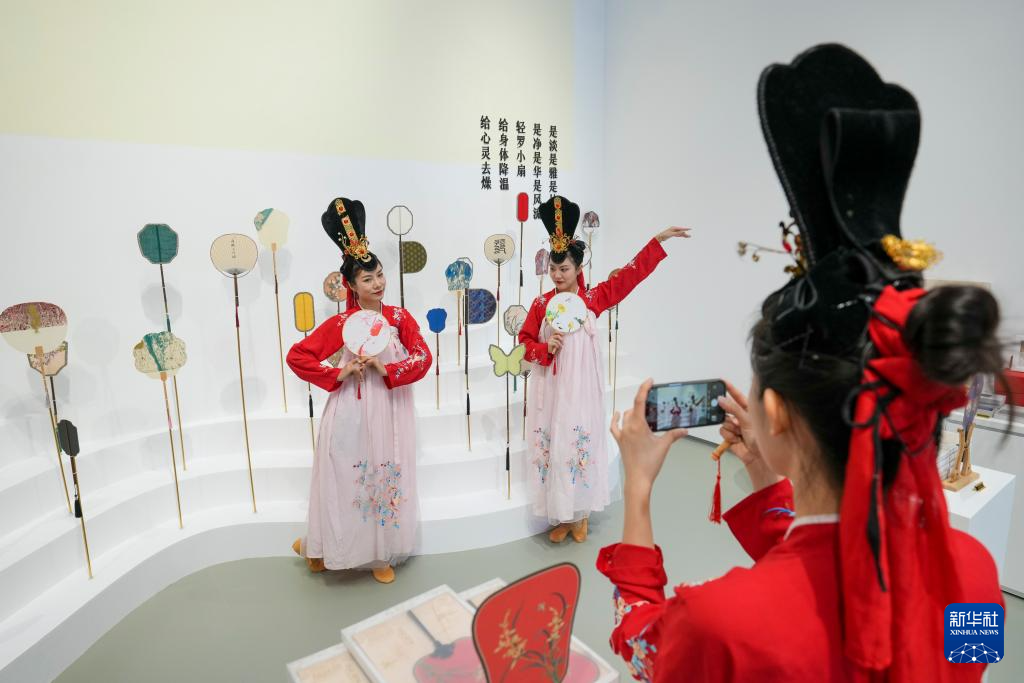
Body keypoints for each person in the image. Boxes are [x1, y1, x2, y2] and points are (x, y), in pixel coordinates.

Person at [598, 44, 1007, 681]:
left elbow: (643, 644)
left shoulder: (723, 627)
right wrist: (766, 474)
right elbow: (840, 583)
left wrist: (638, 491)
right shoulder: (976, 577)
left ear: (777, 412)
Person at [519, 194, 690, 544]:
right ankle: (561, 515)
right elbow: (524, 343)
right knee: (554, 445)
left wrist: (657, 242)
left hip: (580, 389)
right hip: (550, 388)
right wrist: (544, 348)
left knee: (575, 442)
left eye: (564, 269)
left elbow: (629, 277)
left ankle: (580, 514)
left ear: (578, 269)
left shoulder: (592, 300)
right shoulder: (540, 305)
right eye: (553, 269)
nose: (557, 276)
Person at [286, 197, 431, 584]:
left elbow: (423, 357)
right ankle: (323, 545)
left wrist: (389, 368)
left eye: (379, 275)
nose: (377, 284)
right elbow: (298, 356)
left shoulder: (399, 318)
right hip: (351, 410)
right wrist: (340, 371)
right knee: (347, 477)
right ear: (351, 285)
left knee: (382, 474)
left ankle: (377, 553)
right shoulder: (344, 323)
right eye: (367, 279)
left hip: (390, 409)